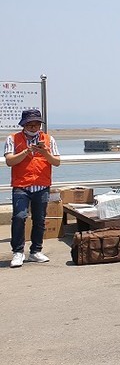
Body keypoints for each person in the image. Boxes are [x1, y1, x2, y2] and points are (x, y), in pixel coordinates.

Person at [4, 109, 61, 267]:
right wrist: (27, 151)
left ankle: (35, 251)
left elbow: (56, 162)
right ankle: (18, 252)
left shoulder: (48, 139)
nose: (34, 127)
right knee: (19, 217)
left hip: (41, 185)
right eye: (30, 124)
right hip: (21, 185)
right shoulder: (13, 139)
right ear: (24, 124)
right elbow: (10, 161)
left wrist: (44, 152)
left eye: (36, 124)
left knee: (40, 220)